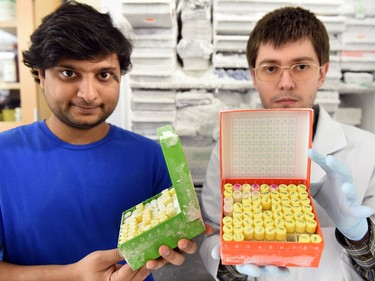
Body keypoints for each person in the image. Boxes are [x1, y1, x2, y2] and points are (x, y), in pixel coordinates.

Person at [0, 2, 198, 281]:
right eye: (69, 73)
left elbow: (171, 239)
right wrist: (71, 275)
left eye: (104, 75)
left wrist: (174, 244)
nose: (89, 94)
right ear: (42, 75)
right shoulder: (3, 156)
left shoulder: (151, 157)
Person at [200, 6, 375, 281]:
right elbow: (212, 234)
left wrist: (361, 235)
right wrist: (233, 266)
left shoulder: (368, 151)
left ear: (322, 72)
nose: (285, 83)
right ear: (254, 75)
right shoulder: (227, 151)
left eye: (301, 66)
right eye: (270, 68)